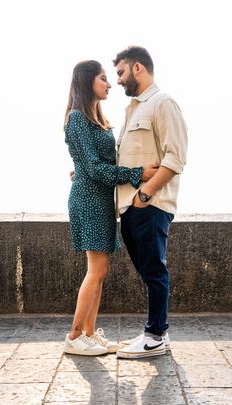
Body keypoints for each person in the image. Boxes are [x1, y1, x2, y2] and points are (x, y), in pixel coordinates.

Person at [63, 60, 158, 356]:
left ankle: (89, 333)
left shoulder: (94, 119)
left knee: (101, 271)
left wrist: (83, 168)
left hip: (101, 198)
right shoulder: (78, 118)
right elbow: (92, 167)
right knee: (97, 269)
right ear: (87, 82)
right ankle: (75, 336)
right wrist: (136, 173)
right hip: (89, 199)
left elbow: (91, 163)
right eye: (103, 78)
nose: (109, 84)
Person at [112, 46, 188, 359]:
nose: (118, 80)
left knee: (155, 271)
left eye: (120, 72)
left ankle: (155, 335)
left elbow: (176, 157)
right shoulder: (133, 109)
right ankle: (156, 332)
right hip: (131, 207)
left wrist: (145, 195)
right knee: (148, 272)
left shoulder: (162, 103)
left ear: (138, 68)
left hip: (151, 206)